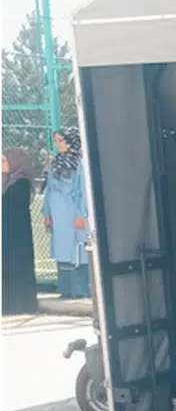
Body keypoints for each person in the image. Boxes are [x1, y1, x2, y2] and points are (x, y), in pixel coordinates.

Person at [42, 128, 91, 299]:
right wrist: (47, 213)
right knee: (61, 249)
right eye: (56, 141)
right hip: (57, 212)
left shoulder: (80, 163)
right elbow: (49, 188)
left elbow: (83, 191)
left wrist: (81, 214)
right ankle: (65, 289)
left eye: (61, 140)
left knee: (77, 249)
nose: (58, 144)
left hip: (72, 210)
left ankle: (80, 290)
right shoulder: (55, 163)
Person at [2, 150, 40, 315]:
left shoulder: (21, 182)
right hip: (5, 235)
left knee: (18, 268)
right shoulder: (5, 181)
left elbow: (11, 204)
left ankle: (21, 305)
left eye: (4, 161)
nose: (1, 165)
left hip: (17, 236)